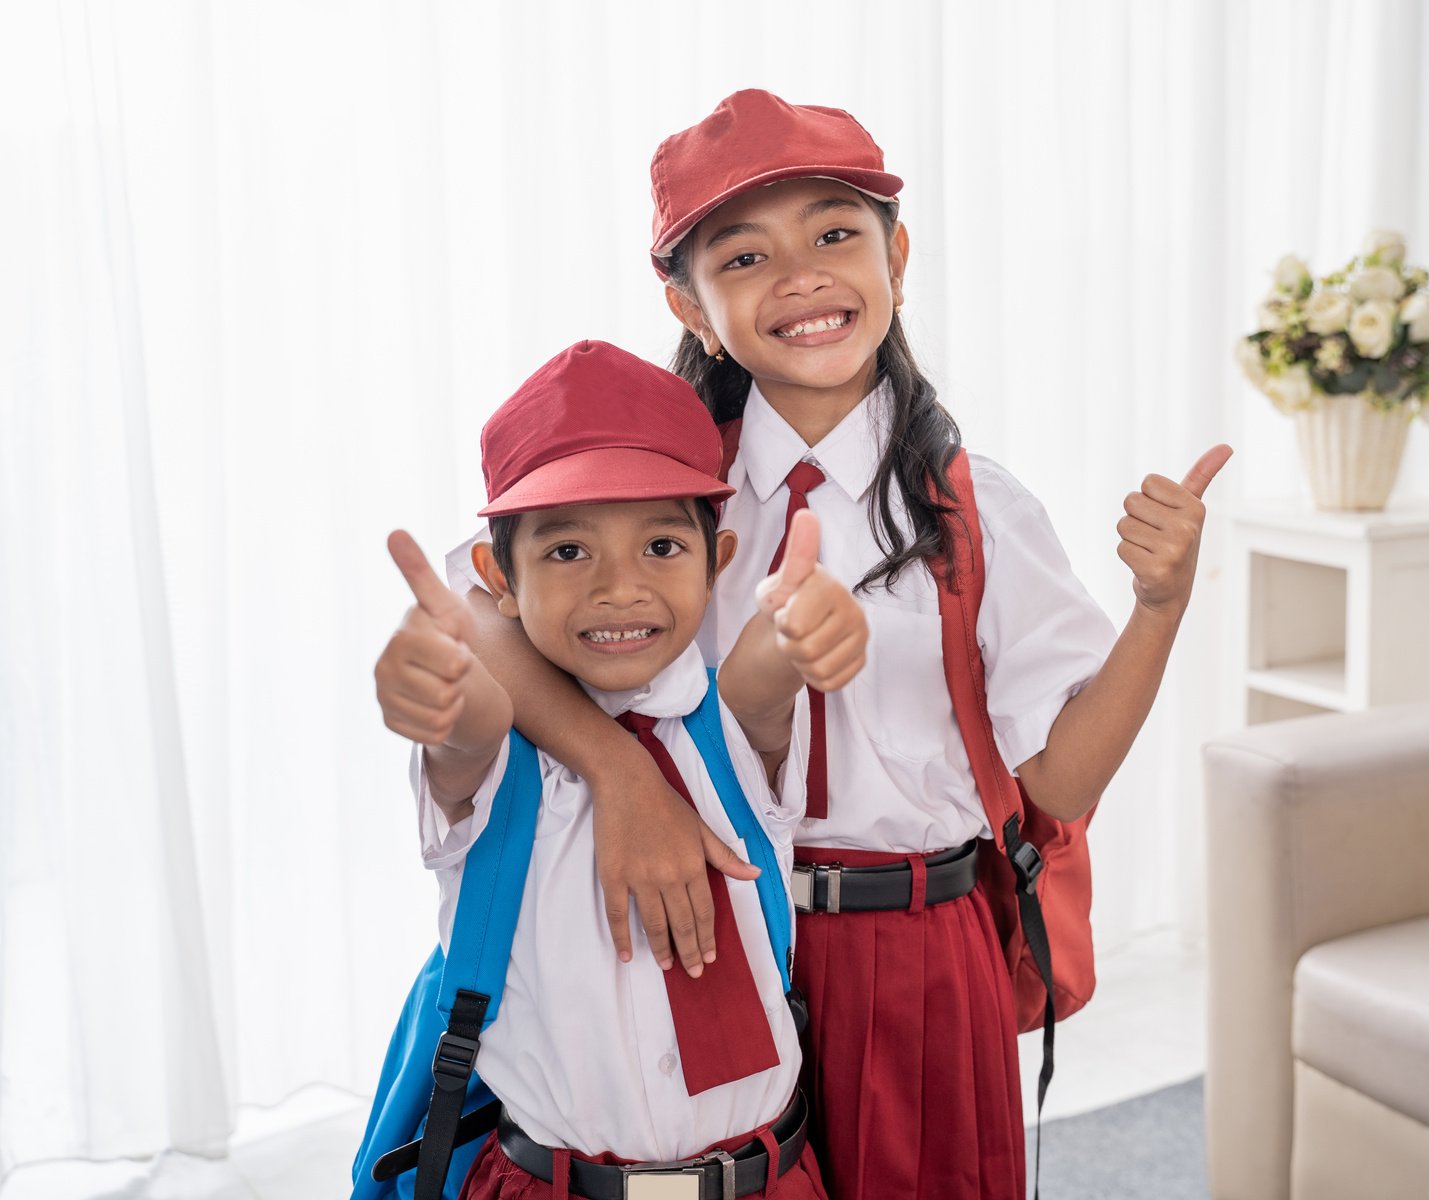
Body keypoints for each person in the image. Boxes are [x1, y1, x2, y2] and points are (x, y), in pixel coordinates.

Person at [455, 92, 1232, 1200]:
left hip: (914, 948)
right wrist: (618, 770)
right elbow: (475, 611)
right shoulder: (660, 495)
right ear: (689, 302)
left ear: (896, 257)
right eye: (745, 255)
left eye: (834, 234)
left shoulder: (978, 508)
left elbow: (1060, 776)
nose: (803, 276)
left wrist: (1159, 607)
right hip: (714, 933)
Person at [373, 339, 867, 1197]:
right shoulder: (500, 765)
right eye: (568, 552)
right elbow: (469, 734)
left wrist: (810, 628)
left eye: (662, 548)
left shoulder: (729, 729)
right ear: (497, 575)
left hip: (772, 1178)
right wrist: (441, 697)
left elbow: (766, 669)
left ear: (718, 562)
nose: (619, 588)